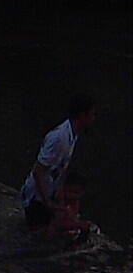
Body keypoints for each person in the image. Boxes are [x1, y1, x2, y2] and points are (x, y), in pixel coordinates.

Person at [21, 94, 97, 228]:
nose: (93, 119)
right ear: (82, 115)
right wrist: (48, 203)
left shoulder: (73, 135)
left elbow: (62, 169)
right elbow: (39, 170)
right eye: (91, 115)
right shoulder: (59, 138)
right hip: (37, 198)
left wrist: (59, 200)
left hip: (49, 195)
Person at [48, 172, 93, 239]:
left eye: (76, 193)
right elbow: (58, 224)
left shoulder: (75, 201)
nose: (73, 195)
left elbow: (72, 217)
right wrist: (78, 224)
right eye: (70, 191)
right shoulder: (60, 202)